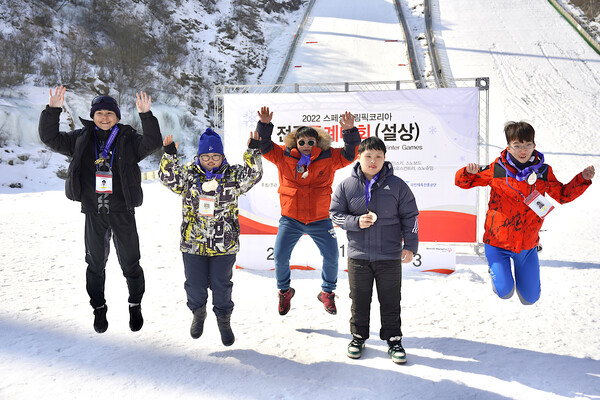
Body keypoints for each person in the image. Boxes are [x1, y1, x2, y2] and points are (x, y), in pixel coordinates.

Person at [38, 86, 163, 333]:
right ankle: (99, 309)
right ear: (93, 116)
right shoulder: (81, 138)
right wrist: (52, 110)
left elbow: (152, 142)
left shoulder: (128, 138)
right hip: (94, 212)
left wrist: (146, 116)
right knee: (95, 264)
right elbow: (50, 138)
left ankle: (135, 304)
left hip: (122, 211)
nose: (104, 117)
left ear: (117, 116)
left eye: (109, 113)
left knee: (131, 263)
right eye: (100, 113)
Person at [455, 121, 594, 305]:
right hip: (497, 243)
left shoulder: (543, 172)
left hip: (527, 246)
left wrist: (582, 179)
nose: (523, 150)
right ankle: (495, 270)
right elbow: (462, 183)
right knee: (504, 291)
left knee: (530, 299)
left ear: (534, 146)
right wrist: (467, 172)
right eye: (517, 145)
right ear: (508, 147)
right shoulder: (496, 170)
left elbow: (562, 195)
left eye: (528, 145)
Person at [158, 128, 262, 346]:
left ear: (222, 157)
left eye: (216, 156)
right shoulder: (188, 175)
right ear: (199, 156)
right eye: (206, 156)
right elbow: (168, 178)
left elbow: (254, 175)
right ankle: (198, 313)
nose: (211, 160)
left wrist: (252, 150)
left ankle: (224, 320)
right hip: (193, 243)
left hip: (224, 245)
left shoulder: (233, 176)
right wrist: (169, 155)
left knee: (221, 285)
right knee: (194, 285)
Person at [256, 106, 361, 316]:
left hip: (320, 219)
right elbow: (265, 147)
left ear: (317, 142)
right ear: (295, 142)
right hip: (291, 219)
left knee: (331, 257)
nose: (305, 146)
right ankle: (284, 291)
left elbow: (350, 154)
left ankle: (327, 293)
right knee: (280, 256)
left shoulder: (328, 156)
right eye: (301, 142)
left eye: (310, 142)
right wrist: (265, 125)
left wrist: (349, 131)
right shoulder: (283, 155)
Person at [330, 136, 419, 364]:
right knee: (359, 299)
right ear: (359, 157)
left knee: (390, 300)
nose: (373, 161)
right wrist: (355, 222)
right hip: (358, 256)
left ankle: (394, 339)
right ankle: (358, 337)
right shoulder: (346, 185)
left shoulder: (397, 185)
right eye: (368, 156)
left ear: (384, 159)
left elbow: (410, 217)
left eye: (378, 156)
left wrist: (410, 246)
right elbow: (335, 213)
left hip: (389, 256)